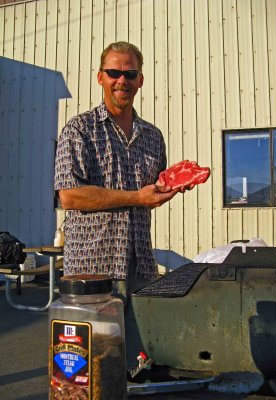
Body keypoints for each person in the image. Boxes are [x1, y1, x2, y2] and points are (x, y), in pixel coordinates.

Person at [54, 41, 188, 368]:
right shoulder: (79, 129)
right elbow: (69, 195)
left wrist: (166, 191)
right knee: (92, 366)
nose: (121, 80)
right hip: (93, 270)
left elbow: (148, 198)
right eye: (114, 72)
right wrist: (136, 197)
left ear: (140, 80)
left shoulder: (153, 136)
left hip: (140, 266)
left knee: (137, 364)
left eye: (130, 73)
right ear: (100, 77)